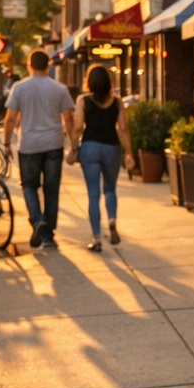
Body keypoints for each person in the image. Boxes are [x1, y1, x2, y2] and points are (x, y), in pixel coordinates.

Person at [3, 50, 76, 249]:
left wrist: (6, 143)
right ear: (49, 66)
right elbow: (69, 119)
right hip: (54, 143)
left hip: (29, 145)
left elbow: (10, 119)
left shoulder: (19, 88)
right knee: (51, 190)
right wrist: (74, 145)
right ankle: (48, 236)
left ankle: (37, 220)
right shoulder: (60, 89)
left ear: (29, 65)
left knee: (29, 185)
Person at [66, 63, 132, 252]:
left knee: (93, 195)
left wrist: (73, 148)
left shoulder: (83, 100)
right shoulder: (117, 102)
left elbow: (77, 127)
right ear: (108, 82)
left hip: (90, 148)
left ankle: (97, 239)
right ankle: (111, 220)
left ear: (89, 82)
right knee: (110, 190)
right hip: (112, 147)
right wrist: (130, 153)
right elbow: (123, 129)